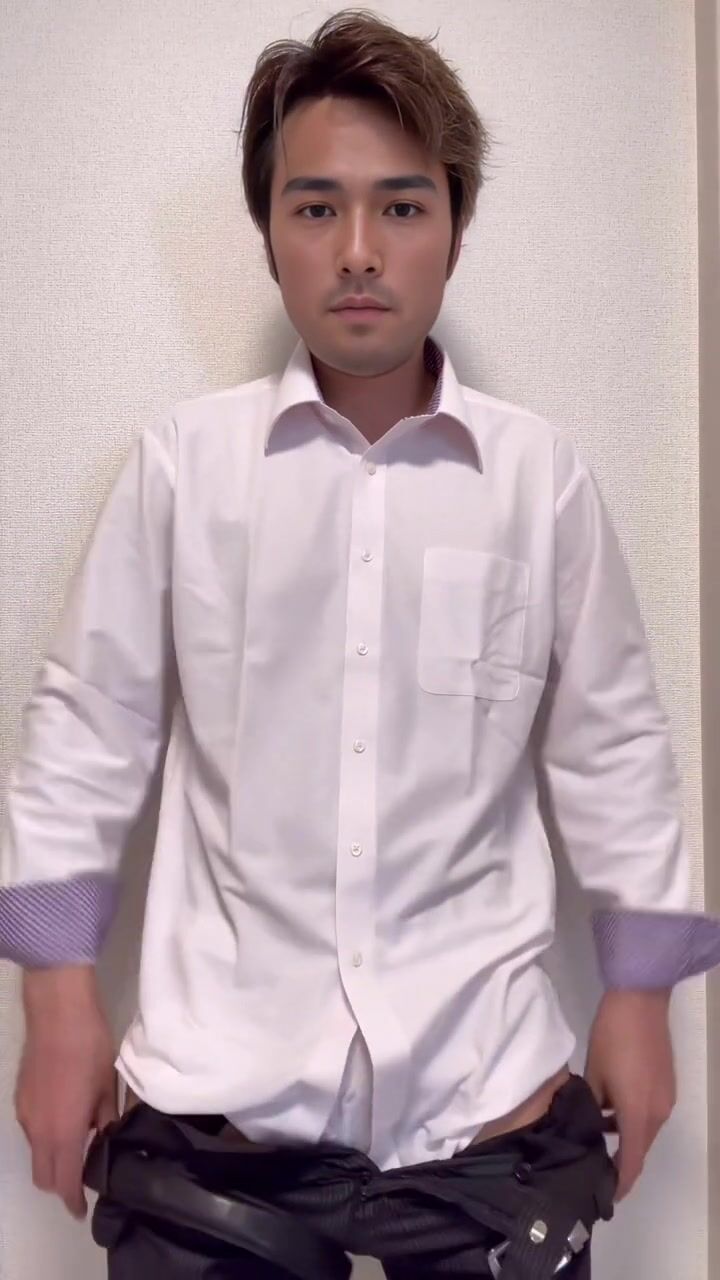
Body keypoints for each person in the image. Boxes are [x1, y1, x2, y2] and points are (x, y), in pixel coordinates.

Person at [2, 9, 719, 1278]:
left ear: (457, 225)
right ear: (268, 231)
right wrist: (56, 1000)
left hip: (484, 1090)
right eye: (316, 207)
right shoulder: (183, 469)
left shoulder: (540, 481)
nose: (359, 251)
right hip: (219, 1097)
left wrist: (642, 992)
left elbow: (614, 743)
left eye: (402, 205)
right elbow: (86, 730)